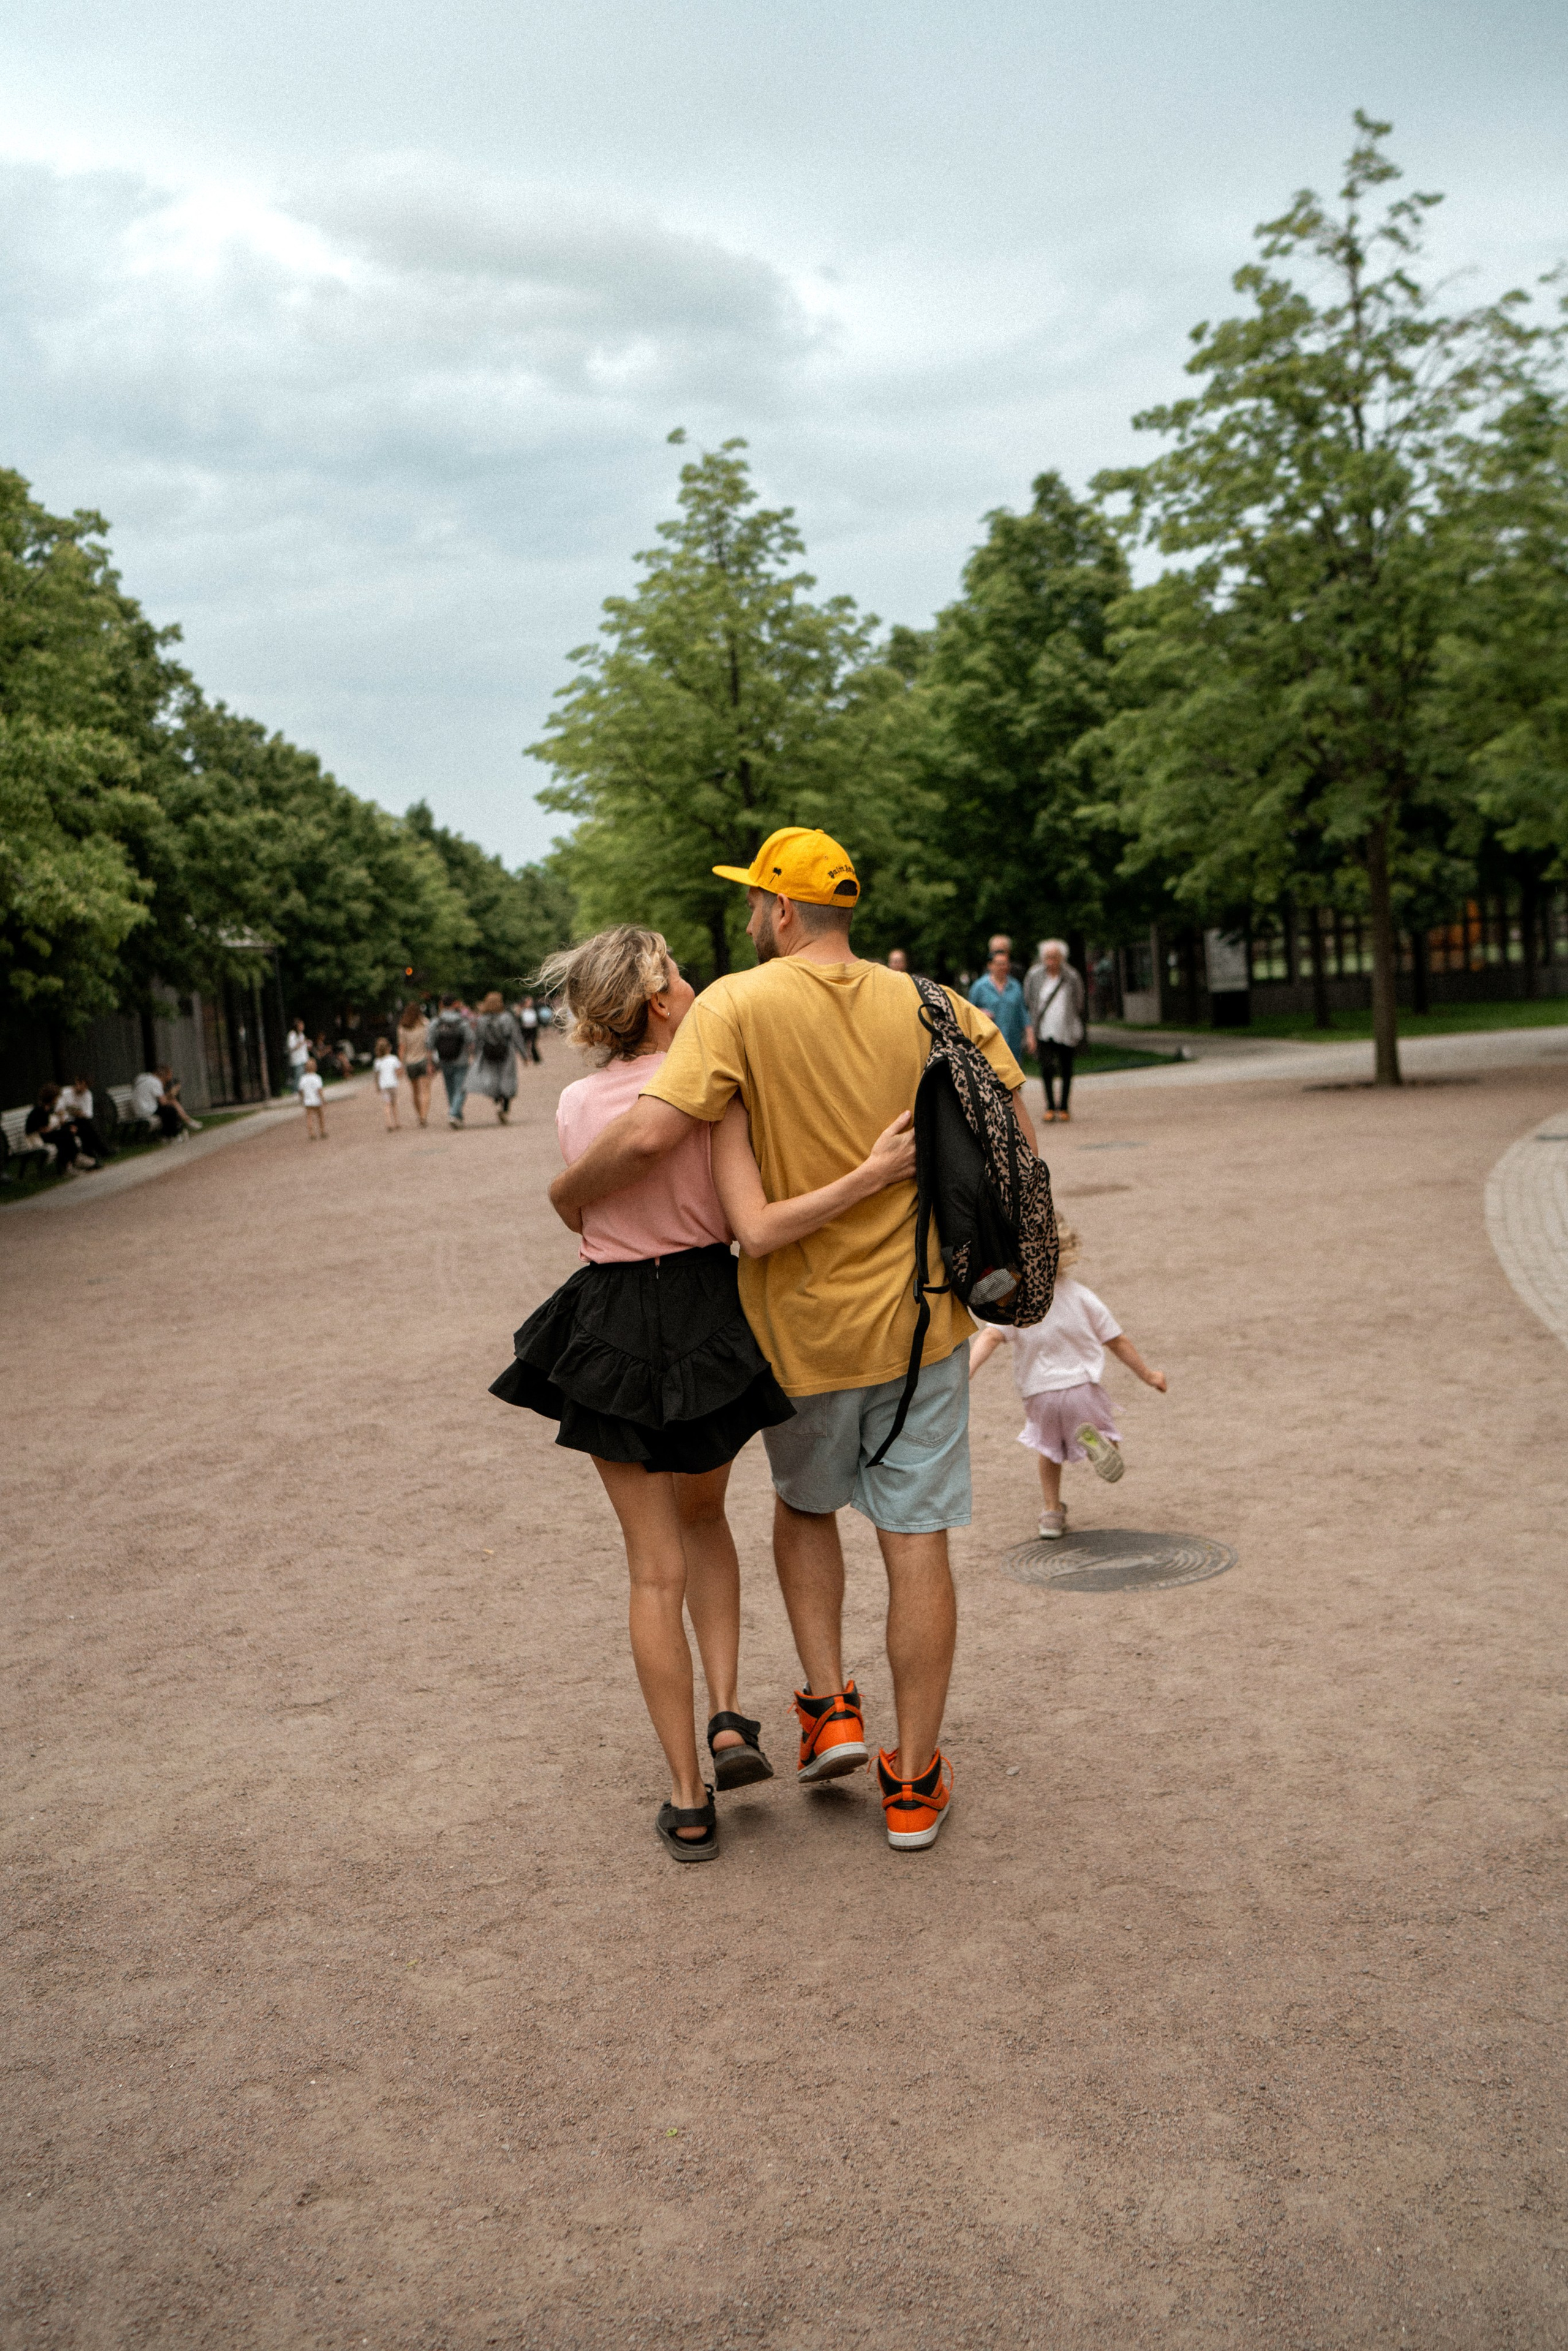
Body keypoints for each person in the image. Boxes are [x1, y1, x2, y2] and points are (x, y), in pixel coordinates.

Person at [548, 828, 1033, 1854]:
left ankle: (829, 1707)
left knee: (806, 1509)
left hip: (798, 1326)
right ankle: (914, 1783)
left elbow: (649, 1133)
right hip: (922, 1322)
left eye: (752, 902)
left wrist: (566, 1192)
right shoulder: (936, 1002)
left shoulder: (735, 1005)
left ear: (779, 909)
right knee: (919, 1541)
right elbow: (1018, 1141)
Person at [492, 924, 911, 1864]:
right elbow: (738, 1209)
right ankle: (727, 1714)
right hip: (704, 1315)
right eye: (677, 974)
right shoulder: (711, 1088)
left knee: (653, 1570)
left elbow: (585, 1201)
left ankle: (687, 1798)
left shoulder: (575, 1102)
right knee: (707, 1519)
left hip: (606, 1318)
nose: (690, 983)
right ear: (657, 1001)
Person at [969, 1221, 1166, 1538]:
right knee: (1102, 1424)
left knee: (1049, 1452)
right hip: (1081, 1388)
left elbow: (991, 1337)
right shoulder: (1081, 1296)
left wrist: (967, 1371)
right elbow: (1117, 1340)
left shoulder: (1016, 1300)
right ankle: (1104, 1441)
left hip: (1040, 1395)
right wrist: (1149, 1375)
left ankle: (1051, 1513)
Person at [1023, 938, 1087, 1124]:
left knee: (1067, 1068)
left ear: (1062, 958)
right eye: (1048, 957)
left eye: (1055, 957)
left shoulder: (1071, 976)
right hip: (1043, 1029)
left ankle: (1064, 1106)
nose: (1051, 961)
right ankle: (1050, 1106)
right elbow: (1029, 998)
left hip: (1066, 1029)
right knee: (1047, 1067)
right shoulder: (1035, 975)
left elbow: (1079, 1001)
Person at [967, 934, 1027, 1062]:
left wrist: (1029, 1034)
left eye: (1005, 964)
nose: (1002, 967)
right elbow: (968, 1011)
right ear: (990, 964)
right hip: (989, 1041)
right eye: (999, 964)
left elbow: (1023, 1012)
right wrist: (981, 1012)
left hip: (1013, 1041)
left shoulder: (1016, 984)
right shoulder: (979, 986)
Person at [468, 992, 521, 1123]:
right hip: (506, 1052)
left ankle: (497, 1099)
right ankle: (505, 1108)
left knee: (493, 1078)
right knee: (507, 1078)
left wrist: (476, 1054)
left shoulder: (482, 1019)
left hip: (488, 1053)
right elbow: (515, 1036)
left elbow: (478, 1038)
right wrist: (524, 1054)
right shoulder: (507, 1017)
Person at [22, 1085, 92, 1174]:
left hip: (44, 1135)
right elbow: (42, 1130)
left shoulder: (47, 1109)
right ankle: (74, 1160)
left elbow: (49, 1128)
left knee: (65, 1135)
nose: (57, 1100)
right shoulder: (39, 1110)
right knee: (64, 1135)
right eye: (56, 1098)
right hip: (36, 1138)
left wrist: (64, 1127)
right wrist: (61, 1129)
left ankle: (70, 1164)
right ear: (52, 1098)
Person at [428, 996, 473, 1128]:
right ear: (455, 1004)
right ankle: (454, 1114)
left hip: (444, 1059)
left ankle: (457, 1116)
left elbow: (430, 1043)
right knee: (461, 1088)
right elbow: (470, 1039)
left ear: (441, 1005)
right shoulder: (462, 1021)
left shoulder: (436, 1022)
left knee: (450, 1089)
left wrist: (430, 1063)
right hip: (461, 1059)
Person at [56, 1075, 113, 1163]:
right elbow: (59, 1110)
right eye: (81, 1085)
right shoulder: (65, 1092)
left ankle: (93, 1152)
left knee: (86, 1125)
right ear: (77, 1082)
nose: (82, 1088)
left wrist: (79, 1113)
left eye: (85, 1087)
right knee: (86, 1127)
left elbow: (88, 1113)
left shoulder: (87, 1094)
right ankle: (100, 1150)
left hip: (81, 1120)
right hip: (67, 1121)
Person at [397, 1002, 433, 1127]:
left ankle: (419, 1114)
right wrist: (431, 1062)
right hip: (424, 1060)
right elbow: (429, 1045)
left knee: (415, 1091)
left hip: (410, 1062)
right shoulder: (425, 1024)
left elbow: (402, 1048)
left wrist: (401, 1065)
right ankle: (424, 1116)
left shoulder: (403, 1028)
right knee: (426, 1090)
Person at [372, 1036, 402, 1130]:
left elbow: (377, 1075)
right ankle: (397, 1122)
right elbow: (399, 1070)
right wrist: (398, 1076)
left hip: (384, 1085)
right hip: (393, 1084)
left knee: (387, 1104)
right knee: (394, 1103)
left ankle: (389, 1123)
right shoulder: (393, 1059)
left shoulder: (378, 1062)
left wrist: (377, 1086)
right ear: (389, 1048)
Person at [298, 1057, 327, 1139]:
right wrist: (323, 1099)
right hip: (317, 1100)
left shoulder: (303, 1078)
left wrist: (302, 1098)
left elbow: (301, 1090)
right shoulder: (317, 1078)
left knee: (309, 1117)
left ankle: (311, 1133)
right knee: (320, 1116)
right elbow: (319, 1090)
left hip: (307, 1100)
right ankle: (322, 1131)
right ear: (315, 1067)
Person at [516, 995, 543, 1064]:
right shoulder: (521, 1011)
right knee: (524, 1044)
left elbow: (538, 1019)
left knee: (533, 1044)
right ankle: (526, 1058)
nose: (530, 1003)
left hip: (533, 1029)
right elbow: (519, 1020)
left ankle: (536, 1059)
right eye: (528, 1002)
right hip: (525, 1029)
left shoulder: (534, 1009)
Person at [285, 1021, 310, 1093]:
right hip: (297, 1059)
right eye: (301, 1025)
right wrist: (301, 1043)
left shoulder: (301, 1034)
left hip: (304, 1058)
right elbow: (291, 1047)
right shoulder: (292, 1035)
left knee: (304, 1075)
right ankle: (295, 1090)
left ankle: (303, 1089)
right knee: (298, 1075)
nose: (302, 1027)